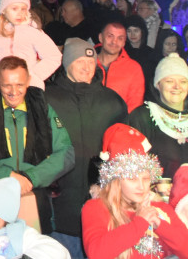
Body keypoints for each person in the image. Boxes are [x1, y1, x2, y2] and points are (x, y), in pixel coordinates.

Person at [0, 56, 74, 233]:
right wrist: (8, 176)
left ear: (28, 81)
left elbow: (66, 153)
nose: (14, 91)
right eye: (7, 85)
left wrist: (31, 178)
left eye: (20, 84)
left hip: (34, 194)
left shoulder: (43, 110)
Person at [45, 38, 127, 258]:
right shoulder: (47, 98)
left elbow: (123, 149)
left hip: (101, 206)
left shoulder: (111, 101)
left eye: (91, 62)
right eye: (80, 61)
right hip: (59, 206)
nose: (87, 67)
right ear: (66, 64)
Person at [81, 123, 188, 259]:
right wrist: (140, 222)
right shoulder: (96, 208)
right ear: (116, 181)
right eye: (132, 179)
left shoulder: (161, 210)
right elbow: (96, 253)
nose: (141, 186)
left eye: (146, 179)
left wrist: (161, 225)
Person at [127, 54, 188, 178]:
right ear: (158, 85)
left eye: (183, 81)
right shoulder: (142, 118)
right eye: (169, 81)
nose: (177, 86)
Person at [95, 21, 145, 112]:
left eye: (120, 38)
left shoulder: (133, 68)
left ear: (124, 42)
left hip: (120, 120)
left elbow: (135, 106)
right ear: (101, 38)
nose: (114, 41)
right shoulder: (86, 63)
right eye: (110, 36)